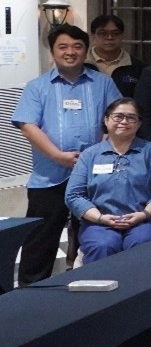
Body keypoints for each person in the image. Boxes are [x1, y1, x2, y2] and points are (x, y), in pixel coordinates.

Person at [12, 25, 121, 285]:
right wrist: (58, 156)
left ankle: (91, 285)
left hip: (96, 175)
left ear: (85, 50)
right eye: (63, 47)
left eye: (77, 46)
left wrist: (96, 154)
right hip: (49, 175)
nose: (70, 52)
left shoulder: (103, 83)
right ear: (52, 52)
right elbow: (28, 125)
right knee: (41, 237)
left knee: (95, 232)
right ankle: (30, 293)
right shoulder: (37, 87)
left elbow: (116, 120)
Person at [64, 98, 151, 263]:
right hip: (98, 223)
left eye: (131, 118)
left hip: (143, 221)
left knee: (142, 243)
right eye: (118, 116)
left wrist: (144, 214)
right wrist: (100, 218)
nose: (124, 121)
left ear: (138, 124)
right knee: (103, 245)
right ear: (106, 120)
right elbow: (74, 195)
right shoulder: (90, 155)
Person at [87, 14, 144, 96]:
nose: (110, 37)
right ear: (93, 36)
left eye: (116, 33)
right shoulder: (81, 65)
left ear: (122, 36)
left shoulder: (139, 68)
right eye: (103, 33)